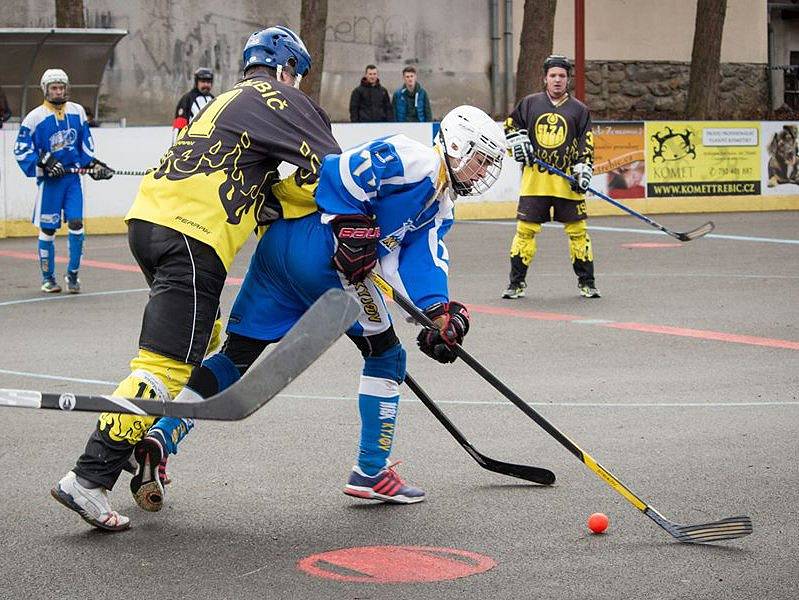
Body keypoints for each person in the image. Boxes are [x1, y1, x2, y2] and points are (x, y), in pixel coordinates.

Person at [133, 105, 506, 507]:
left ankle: (163, 434)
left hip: (281, 248)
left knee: (235, 355)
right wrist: (350, 222)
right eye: (480, 160)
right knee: (386, 356)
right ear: (456, 145)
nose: (482, 172)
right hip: (324, 258)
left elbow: (415, 262)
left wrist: (437, 313)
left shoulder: (440, 203)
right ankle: (371, 471)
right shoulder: (414, 159)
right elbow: (339, 171)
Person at [50, 26, 342, 531]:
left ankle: (147, 438)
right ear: (285, 68)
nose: (300, 85)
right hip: (192, 237)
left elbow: (270, 188)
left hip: (149, 223)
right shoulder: (282, 98)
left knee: (201, 339)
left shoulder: (223, 102)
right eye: (299, 75)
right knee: (162, 365)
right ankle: (89, 477)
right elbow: (334, 171)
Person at [502, 54, 598, 299]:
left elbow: (586, 144)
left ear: (568, 80)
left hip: (567, 183)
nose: (557, 80)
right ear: (545, 78)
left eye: (562, 76)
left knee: (578, 232)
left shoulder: (579, 110)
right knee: (525, 231)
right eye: (553, 75)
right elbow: (510, 127)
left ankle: (587, 282)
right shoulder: (529, 103)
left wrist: (584, 167)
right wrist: (517, 142)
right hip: (536, 182)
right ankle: (516, 283)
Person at [14, 69, 114, 294]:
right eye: (54, 88)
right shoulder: (35, 117)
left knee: (77, 223)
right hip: (50, 183)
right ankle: (48, 278)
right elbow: (21, 149)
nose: (58, 92)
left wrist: (95, 165)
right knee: (48, 230)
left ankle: (73, 274)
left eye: (61, 87)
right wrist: (45, 161)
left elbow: (84, 147)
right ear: (45, 90)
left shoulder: (77, 112)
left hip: (72, 181)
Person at [171, 67, 215, 141]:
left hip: (209, 143)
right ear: (196, 82)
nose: (206, 85)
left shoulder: (213, 99)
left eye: (208, 82)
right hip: (191, 142)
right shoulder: (187, 99)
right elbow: (179, 126)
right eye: (203, 82)